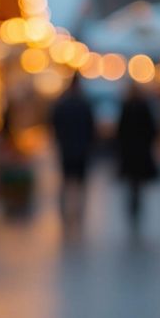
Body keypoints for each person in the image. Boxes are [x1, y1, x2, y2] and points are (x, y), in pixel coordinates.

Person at [50, 75, 96, 225]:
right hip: (81, 149)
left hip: (66, 148)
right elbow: (91, 127)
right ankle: (78, 210)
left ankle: (64, 210)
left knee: (66, 181)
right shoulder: (84, 104)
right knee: (80, 182)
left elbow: (54, 123)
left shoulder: (62, 103)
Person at [116, 84, 160, 227]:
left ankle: (133, 209)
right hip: (140, 154)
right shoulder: (143, 107)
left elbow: (120, 131)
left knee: (132, 184)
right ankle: (136, 208)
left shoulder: (126, 107)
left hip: (129, 154)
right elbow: (152, 129)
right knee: (138, 184)